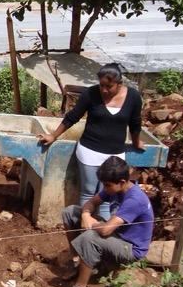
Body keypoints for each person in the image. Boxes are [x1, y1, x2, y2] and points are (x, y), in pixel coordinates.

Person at [38, 63, 144, 220]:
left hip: (115, 155)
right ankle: (84, 231)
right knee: (87, 192)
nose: (104, 90)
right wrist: (53, 136)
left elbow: (135, 123)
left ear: (119, 84)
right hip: (90, 151)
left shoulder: (133, 97)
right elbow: (72, 117)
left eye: (109, 86)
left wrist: (136, 142)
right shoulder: (91, 94)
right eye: (101, 85)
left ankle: (101, 234)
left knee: (108, 195)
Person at [62, 156, 154, 287]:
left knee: (90, 237)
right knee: (70, 212)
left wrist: (91, 223)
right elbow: (91, 202)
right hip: (116, 234)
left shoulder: (135, 199)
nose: (105, 188)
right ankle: (77, 262)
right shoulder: (115, 189)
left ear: (122, 182)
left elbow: (106, 230)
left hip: (130, 248)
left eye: (107, 185)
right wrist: (86, 215)